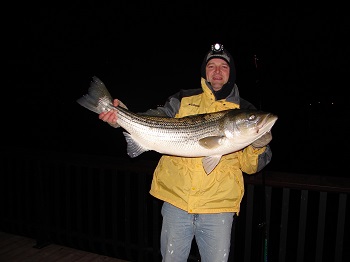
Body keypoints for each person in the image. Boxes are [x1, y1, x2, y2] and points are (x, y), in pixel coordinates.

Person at [99, 43, 273, 262]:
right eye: (211, 66)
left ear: (231, 73)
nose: (217, 71)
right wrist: (123, 117)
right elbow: (157, 117)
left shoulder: (244, 109)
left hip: (218, 208)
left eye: (223, 67)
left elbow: (251, 167)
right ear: (205, 72)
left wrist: (258, 144)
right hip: (176, 202)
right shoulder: (183, 99)